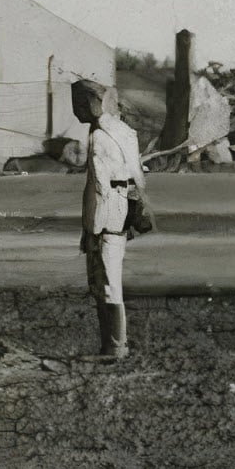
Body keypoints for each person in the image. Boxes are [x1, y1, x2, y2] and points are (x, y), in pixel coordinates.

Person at [71, 78, 142, 360]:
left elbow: (99, 184)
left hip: (104, 214)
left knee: (106, 282)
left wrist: (92, 228)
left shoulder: (99, 136)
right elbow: (138, 177)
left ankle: (114, 346)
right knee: (112, 279)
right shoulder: (127, 132)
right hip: (123, 209)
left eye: (78, 104)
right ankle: (113, 344)